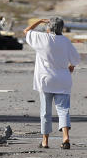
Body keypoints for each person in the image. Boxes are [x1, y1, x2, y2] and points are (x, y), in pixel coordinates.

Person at [24, 17, 80, 149]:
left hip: (45, 80)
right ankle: (65, 136)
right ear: (62, 28)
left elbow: (26, 31)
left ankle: (45, 141)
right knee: (63, 109)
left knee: (45, 111)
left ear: (49, 28)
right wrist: (71, 67)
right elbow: (76, 60)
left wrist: (39, 21)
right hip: (63, 79)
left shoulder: (42, 38)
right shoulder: (66, 41)